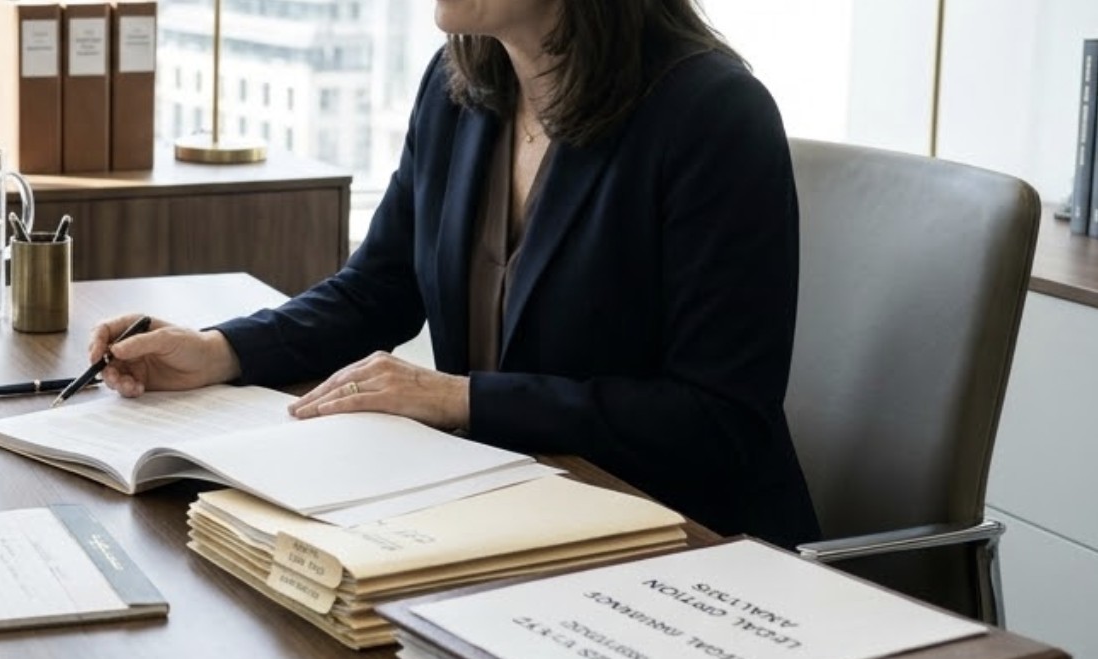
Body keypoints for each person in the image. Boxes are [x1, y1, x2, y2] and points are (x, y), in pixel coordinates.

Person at [88, 0, 819, 547]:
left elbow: (718, 420)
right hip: (512, 516)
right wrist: (221, 351)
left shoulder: (713, 116)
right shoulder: (459, 89)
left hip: (682, 546)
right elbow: (377, 289)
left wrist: (461, 399)